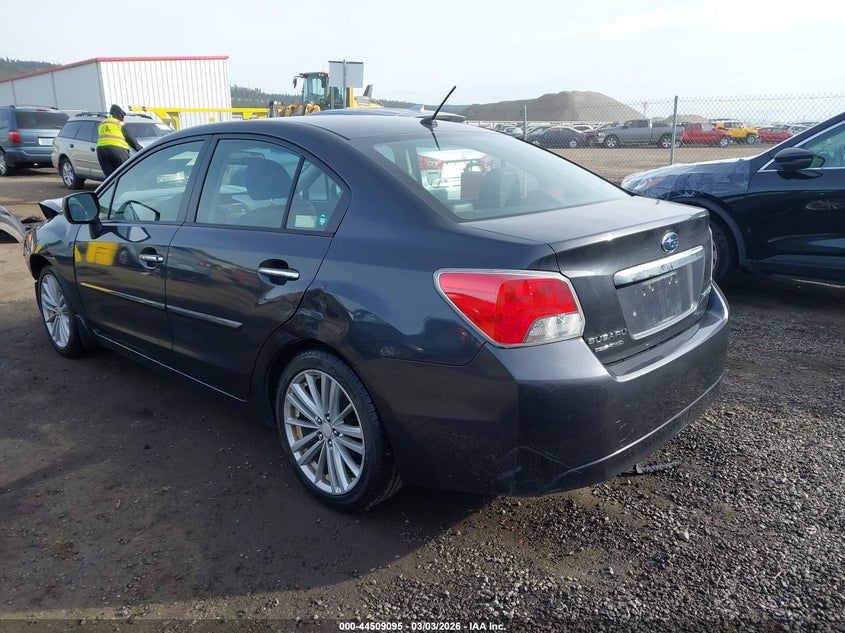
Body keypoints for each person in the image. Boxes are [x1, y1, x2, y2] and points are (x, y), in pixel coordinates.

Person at [96, 104, 142, 177]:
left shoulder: (101, 123)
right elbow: (132, 141)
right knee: (124, 174)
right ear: (119, 114)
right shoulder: (120, 124)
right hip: (118, 150)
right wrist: (142, 150)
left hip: (101, 151)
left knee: (110, 177)